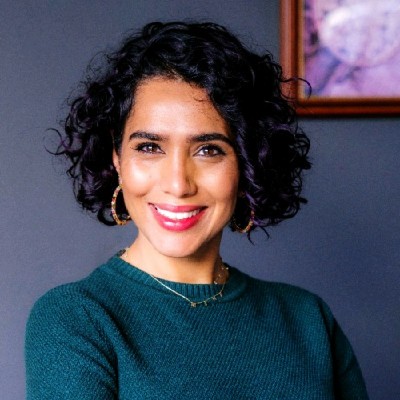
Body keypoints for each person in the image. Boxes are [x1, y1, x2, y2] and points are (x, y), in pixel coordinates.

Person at [25, 21, 369, 399]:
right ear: (117, 159)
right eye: (149, 147)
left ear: (246, 164)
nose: (178, 184)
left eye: (208, 150)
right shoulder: (76, 319)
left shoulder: (308, 321)